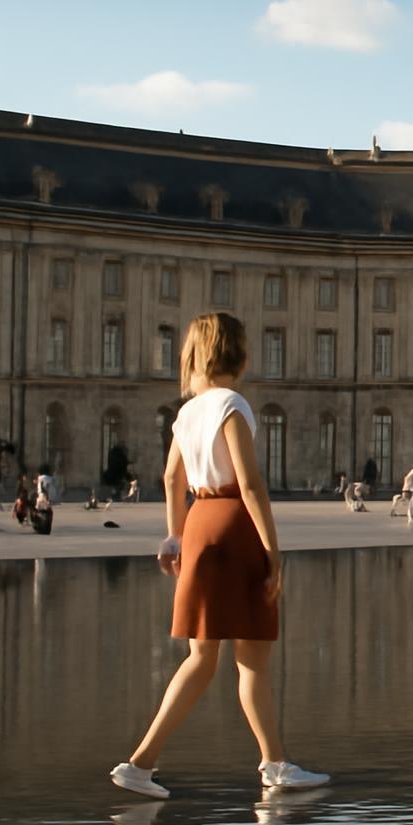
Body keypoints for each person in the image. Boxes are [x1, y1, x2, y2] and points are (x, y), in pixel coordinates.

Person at [110, 312, 326, 800]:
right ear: (240, 354)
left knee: (201, 657)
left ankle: (141, 763)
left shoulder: (186, 412)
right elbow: (249, 484)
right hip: (233, 525)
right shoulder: (232, 404)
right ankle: (274, 764)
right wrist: (274, 551)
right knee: (252, 660)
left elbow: (170, 480)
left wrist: (174, 537)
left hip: (199, 524)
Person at [31, 464, 58, 535]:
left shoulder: (41, 478)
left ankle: (37, 526)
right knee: (49, 512)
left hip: (43, 497)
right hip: (48, 498)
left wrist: (46, 496)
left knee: (37, 511)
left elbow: (43, 487)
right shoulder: (50, 478)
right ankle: (47, 528)